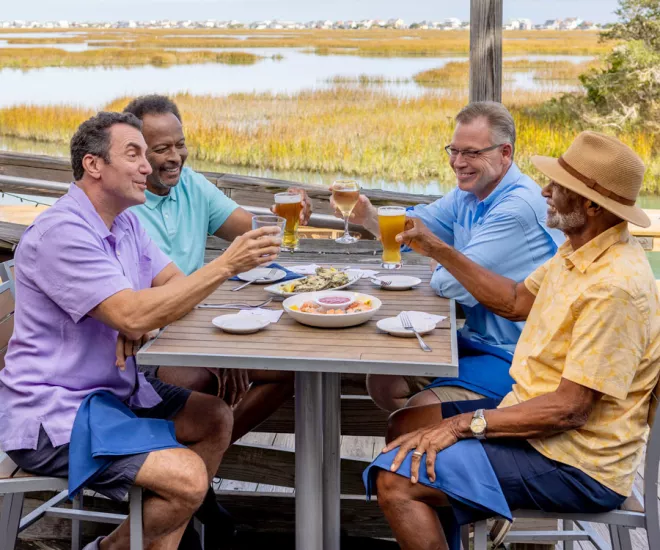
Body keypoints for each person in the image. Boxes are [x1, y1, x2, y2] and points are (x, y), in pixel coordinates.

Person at [0, 112, 283, 550]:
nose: (148, 166)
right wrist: (224, 265)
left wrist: (143, 319)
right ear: (94, 165)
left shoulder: (126, 220)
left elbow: (169, 288)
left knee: (214, 417)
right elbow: (134, 312)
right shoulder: (63, 233)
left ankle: (131, 542)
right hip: (55, 413)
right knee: (187, 477)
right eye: (133, 154)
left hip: (114, 394)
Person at [364, 131, 659, 550]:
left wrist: (463, 425)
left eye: (558, 186)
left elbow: (570, 410)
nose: (545, 190)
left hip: (577, 461)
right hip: (538, 422)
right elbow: (515, 300)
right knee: (405, 424)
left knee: (396, 479)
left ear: (592, 205)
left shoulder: (615, 286)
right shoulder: (578, 250)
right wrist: (436, 248)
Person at [336, 101, 563, 412]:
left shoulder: (516, 209)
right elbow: (415, 229)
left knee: (419, 410)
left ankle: (442, 444)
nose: (458, 162)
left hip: (520, 354)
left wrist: (441, 256)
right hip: (475, 338)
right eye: (454, 151)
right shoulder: (469, 193)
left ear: (505, 153)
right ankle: (433, 445)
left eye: (472, 152)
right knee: (384, 381)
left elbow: (447, 284)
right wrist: (368, 215)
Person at [122, 95, 311, 442]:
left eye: (180, 145)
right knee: (193, 381)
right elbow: (142, 309)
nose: (175, 157)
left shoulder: (191, 183)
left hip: (196, 323)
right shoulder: (121, 204)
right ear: (134, 152)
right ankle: (193, 466)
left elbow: (251, 232)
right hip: (148, 342)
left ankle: (204, 458)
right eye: (162, 148)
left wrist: (285, 218)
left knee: (291, 370)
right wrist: (222, 351)